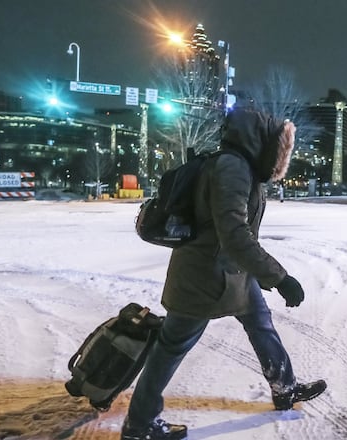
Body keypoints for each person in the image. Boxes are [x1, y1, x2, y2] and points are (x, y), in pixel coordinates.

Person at [121, 108, 327, 440]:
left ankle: (284, 387)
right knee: (171, 347)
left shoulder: (238, 166)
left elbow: (237, 235)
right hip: (204, 278)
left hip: (231, 274)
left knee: (261, 323)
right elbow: (234, 234)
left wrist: (259, 272)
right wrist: (280, 277)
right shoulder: (232, 168)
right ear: (258, 140)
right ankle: (139, 425)